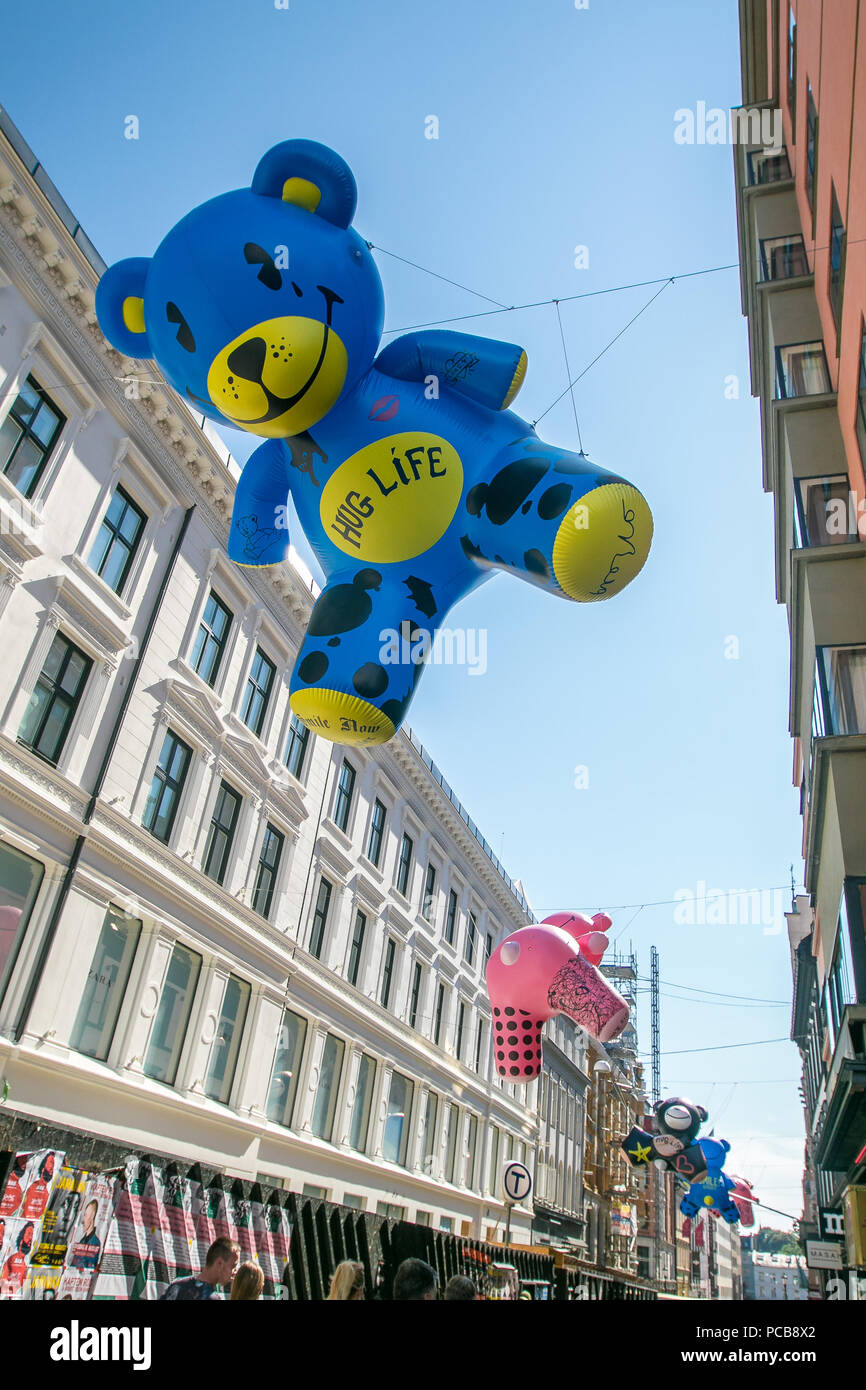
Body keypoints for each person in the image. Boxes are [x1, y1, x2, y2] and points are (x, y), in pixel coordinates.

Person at [159, 1237, 240, 1300]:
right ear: (219, 1263)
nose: (235, 1272)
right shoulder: (211, 1297)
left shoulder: (178, 1285)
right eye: (233, 1266)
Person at [69, 1199, 102, 1270]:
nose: (83, 1220)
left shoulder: (95, 1242)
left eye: (85, 1215)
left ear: (92, 1216)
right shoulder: (82, 1240)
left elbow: (90, 1267)